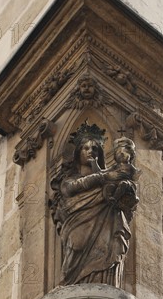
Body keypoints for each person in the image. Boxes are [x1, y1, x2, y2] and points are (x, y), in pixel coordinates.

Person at [50, 122, 139, 287]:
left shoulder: (110, 176)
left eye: (95, 148)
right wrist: (101, 177)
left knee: (108, 248)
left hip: (107, 220)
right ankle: (70, 284)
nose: (91, 151)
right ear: (78, 153)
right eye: (86, 148)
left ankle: (106, 285)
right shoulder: (70, 176)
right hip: (77, 221)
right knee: (76, 246)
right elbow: (69, 189)